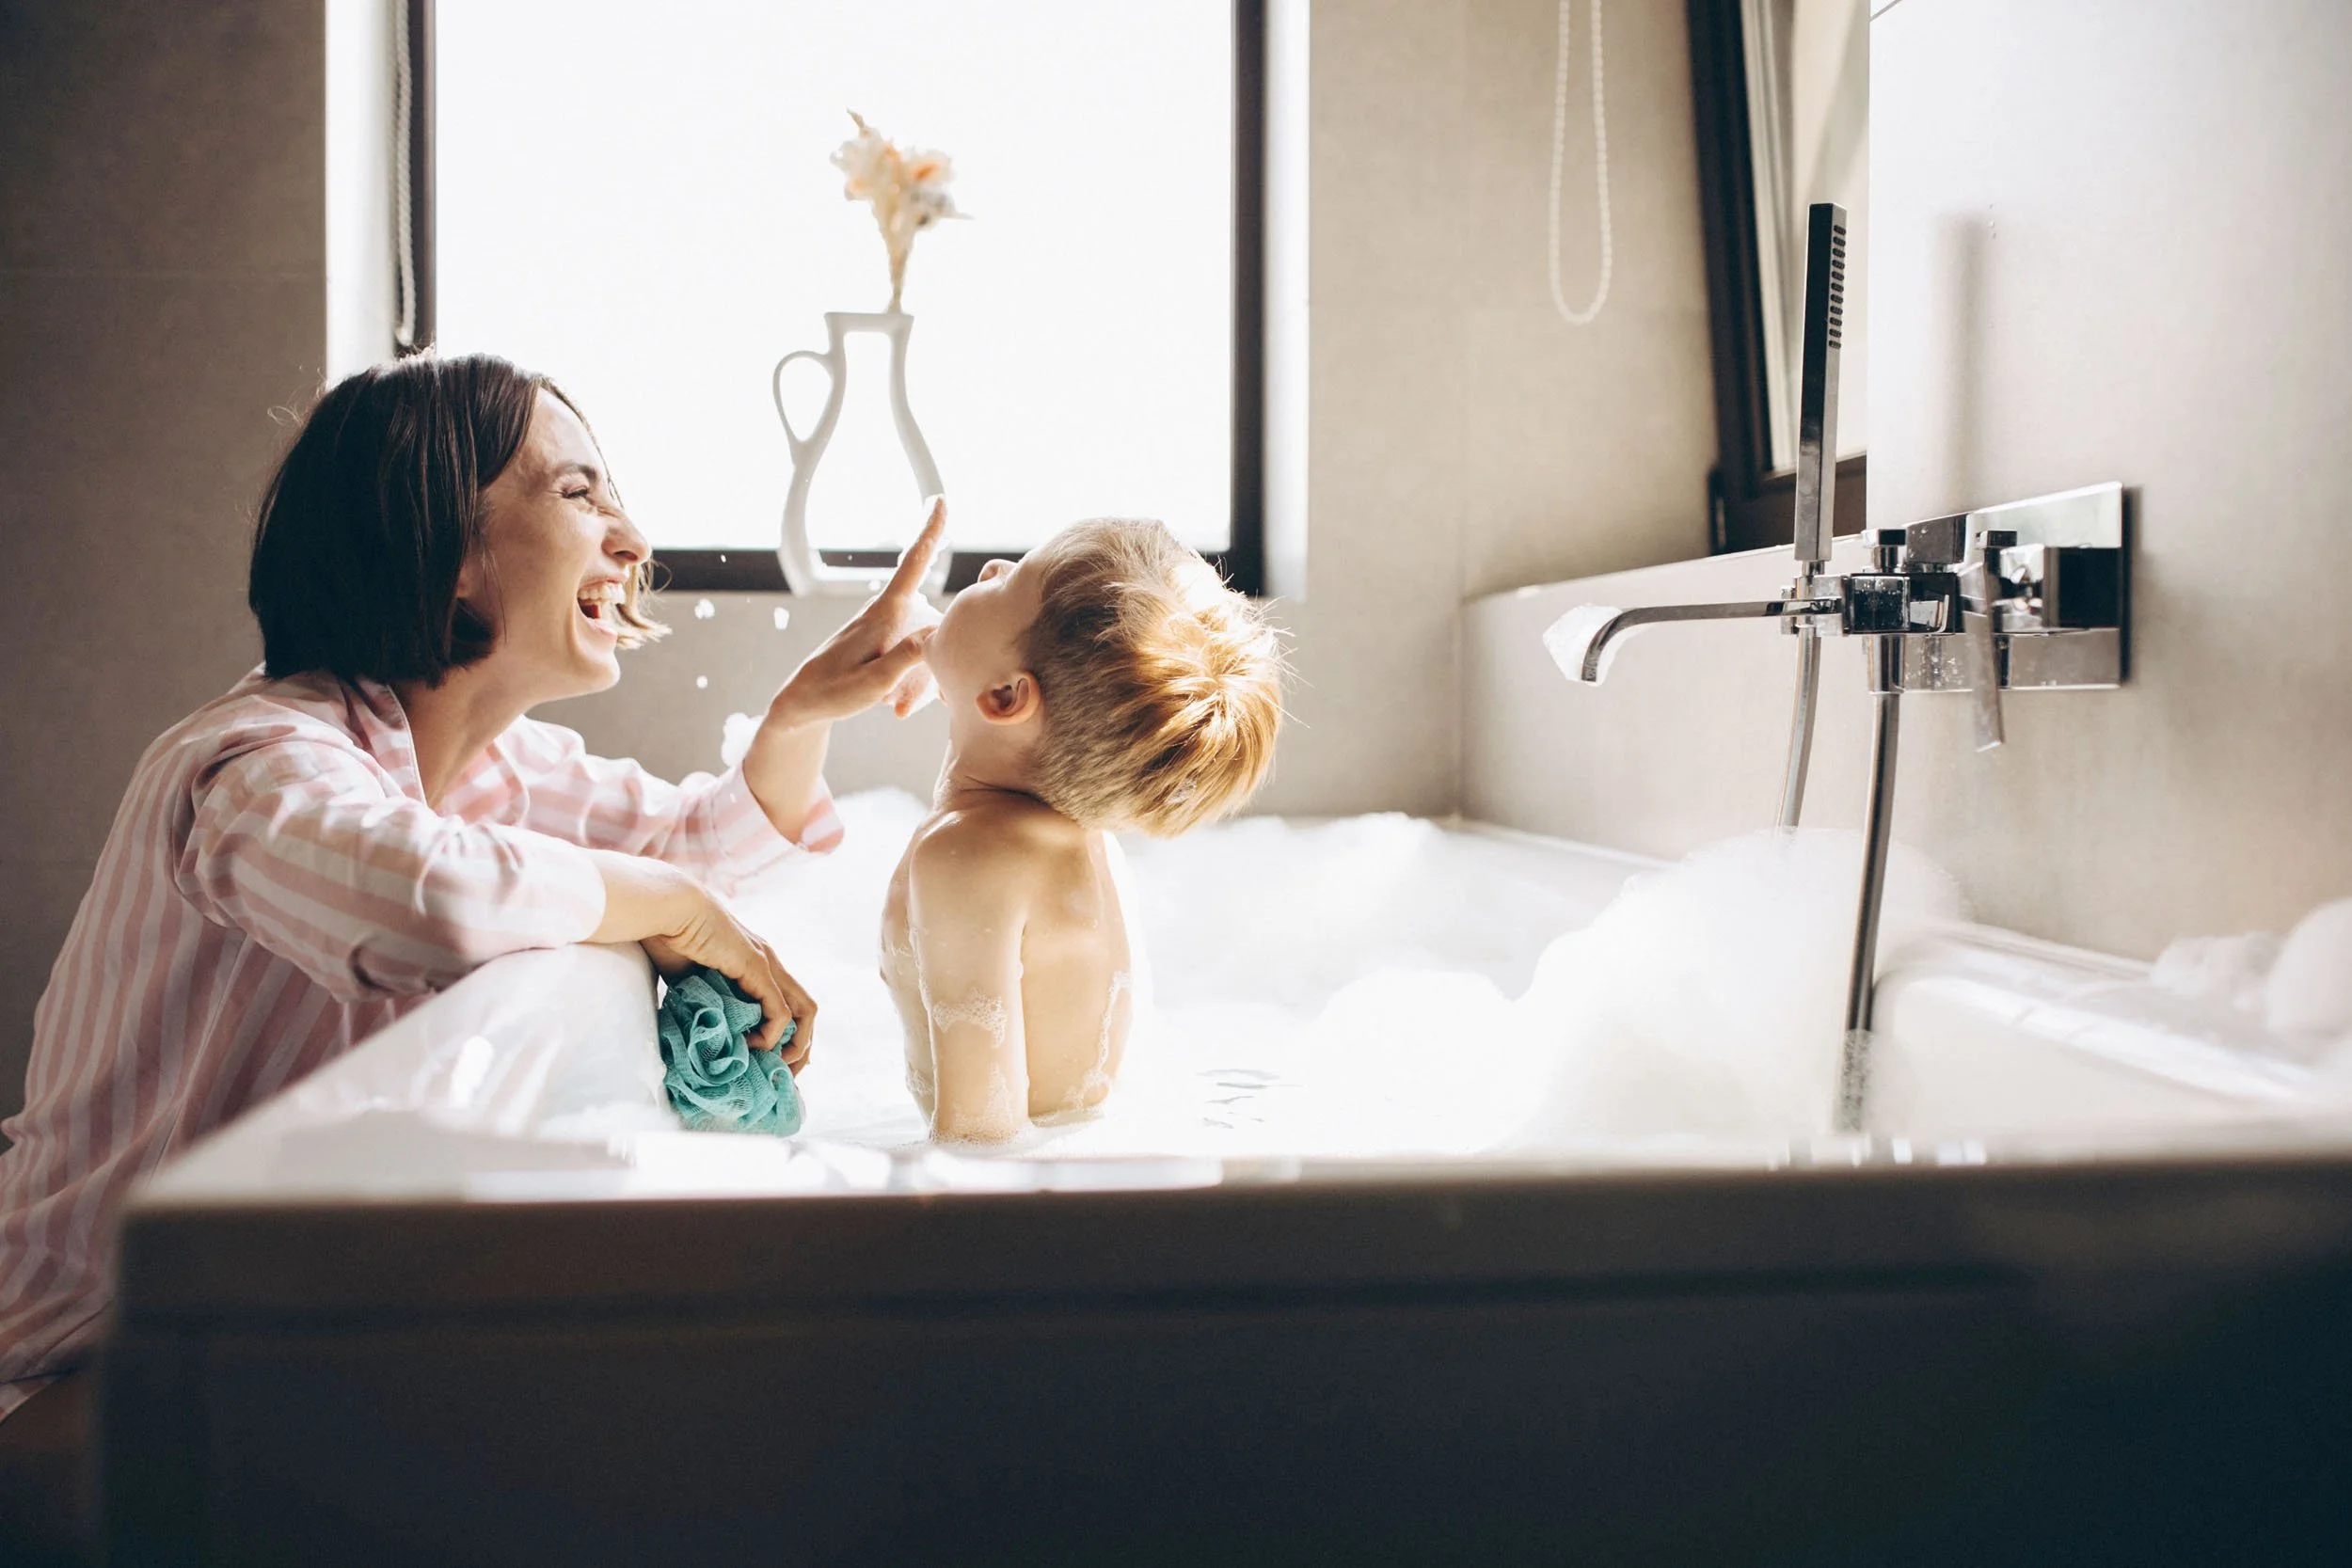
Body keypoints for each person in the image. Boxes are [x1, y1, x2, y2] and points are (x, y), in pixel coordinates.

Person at [0, 355, 947, 1555]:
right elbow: (427, 900)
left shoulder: (498, 766)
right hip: (58, 1373)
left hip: (223, 1328)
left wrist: (803, 714)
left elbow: (704, 842)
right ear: (441, 542)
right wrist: (664, 900)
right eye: (578, 494)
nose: (633, 537)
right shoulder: (247, 760)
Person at [880, 518, 1283, 1143]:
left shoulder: (967, 858)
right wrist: (954, 669)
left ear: (1008, 697)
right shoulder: (1068, 825)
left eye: (1010, 582)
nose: (991, 568)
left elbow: (978, 1138)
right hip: (1077, 1161)